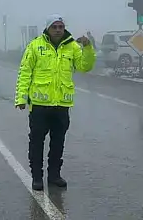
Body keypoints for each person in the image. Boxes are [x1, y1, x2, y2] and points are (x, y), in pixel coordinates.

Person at [15, 14, 96, 191]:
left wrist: (88, 48)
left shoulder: (72, 47)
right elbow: (25, 72)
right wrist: (21, 98)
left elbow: (85, 66)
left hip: (61, 106)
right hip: (39, 106)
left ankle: (54, 175)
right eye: (55, 27)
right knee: (36, 142)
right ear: (48, 28)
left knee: (58, 142)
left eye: (60, 27)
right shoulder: (36, 46)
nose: (58, 30)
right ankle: (37, 176)